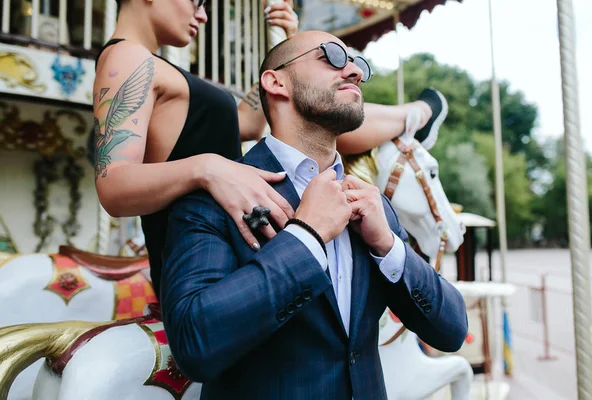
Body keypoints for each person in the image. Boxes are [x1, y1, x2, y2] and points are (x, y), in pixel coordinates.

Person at [160, 30, 467, 399]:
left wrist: (388, 247)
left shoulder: (372, 206)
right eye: (333, 57)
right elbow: (194, 344)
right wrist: (306, 236)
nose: (354, 71)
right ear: (276, 82)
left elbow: (451, 330)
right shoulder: (210, 199)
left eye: (357, 63)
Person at [92, 0, 447, 297]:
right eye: (196, 1)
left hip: (230, 253)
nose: (201, 14)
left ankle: (413, 116)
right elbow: (114, 185)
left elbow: (246, 122)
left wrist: (290, 58)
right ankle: (414, 116)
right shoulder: (128, 57)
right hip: (203, 266)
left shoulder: (157, 68)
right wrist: (209, 168)